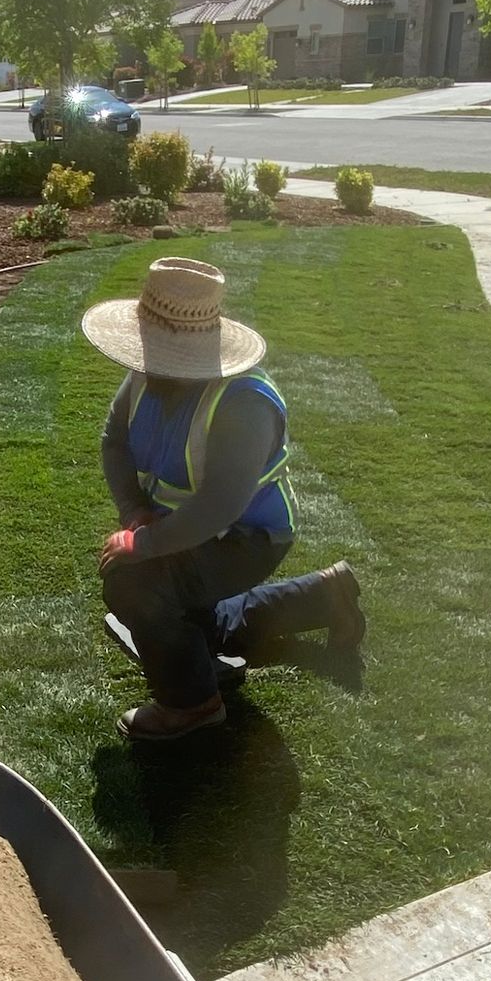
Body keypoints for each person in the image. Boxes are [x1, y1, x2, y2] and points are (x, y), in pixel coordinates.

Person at [81, 256, 363, 742]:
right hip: (188, 524)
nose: (148, 367)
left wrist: (143, 545)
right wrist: (135, 512)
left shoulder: (244, 403)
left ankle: (191, 706)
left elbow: (219, 507)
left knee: (135, 585)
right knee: (195, 623)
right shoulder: (146, 375)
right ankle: (323, 596)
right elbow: (114, 442)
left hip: (247, 536)